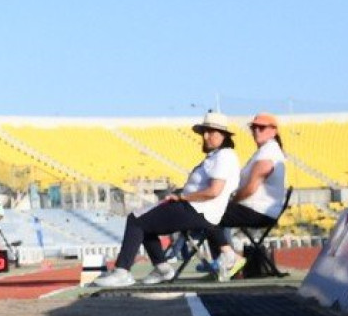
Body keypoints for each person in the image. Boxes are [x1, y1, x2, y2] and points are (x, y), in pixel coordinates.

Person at [92, 112, 241, 288]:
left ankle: (122, 271)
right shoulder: (218, 156)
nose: (205, 136)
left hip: (196, 209)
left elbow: (214, 191)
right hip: (195, 208)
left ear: (223, 135)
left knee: (136, 220)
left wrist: (182, 197)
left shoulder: (224, 156)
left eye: (211, 132)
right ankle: (162, 268)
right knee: (141, 217)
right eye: (204, 132)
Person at [203, 112, 289, 279]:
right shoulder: (265, 151)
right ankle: (225, 262)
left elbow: (250, 188)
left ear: (274, 131)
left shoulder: (268, 153)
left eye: (261, 127)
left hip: (258, 212)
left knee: (206, 214)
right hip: (256, 209)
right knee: (210, 212)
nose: (256, 131)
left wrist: (231, 201)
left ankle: (228, 260)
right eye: (253, 127)